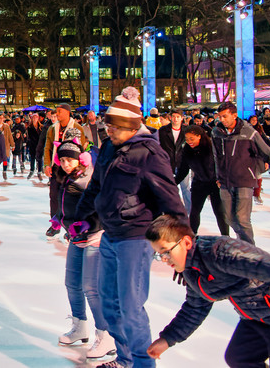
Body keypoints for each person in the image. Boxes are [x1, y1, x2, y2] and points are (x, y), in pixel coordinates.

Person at [73, 87, 188, 368]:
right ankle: (125, 360)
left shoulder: (150, 154)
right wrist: (82, 218)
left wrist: (185, 249)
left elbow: (173, 203)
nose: (107, 131)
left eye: (113, 127)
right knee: (110, 306)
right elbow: (97, 186)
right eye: (107, 125)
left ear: (130, 127)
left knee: (131, 309)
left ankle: (142, 364)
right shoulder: (111, 147)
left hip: (136, 238)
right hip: (110, 235)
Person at [145, 214, 270, 368]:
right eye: (159, 255)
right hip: (254, 318)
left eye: (166, 251)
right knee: (239, 358)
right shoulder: (192, 272)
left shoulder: (221, 252)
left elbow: (266, 266)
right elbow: (195, 307)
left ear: (185, 242)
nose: (164, 259)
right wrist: (167, 339)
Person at [50, 136, 116, 360]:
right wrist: (60, 218)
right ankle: (80, 326)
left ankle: (105, 335)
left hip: (94, 237)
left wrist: (89, 223)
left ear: (80, 158)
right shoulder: (69, 177)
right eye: (63, 160)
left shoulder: (88, 178)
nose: (67, 164)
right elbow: (68, 205)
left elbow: (101, 208)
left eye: (70, 160)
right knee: (72, 284)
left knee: (91, 287)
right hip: (75, 236)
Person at [211, 101, 270, 244]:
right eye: (219, 116)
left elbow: (269, 155)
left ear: (234, 115)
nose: (221, 120)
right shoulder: (216, 133)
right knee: (229, 218)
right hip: (225, 181)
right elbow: (216, 157)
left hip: (244, 179)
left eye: (224, 116)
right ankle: (243, 243)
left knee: (242, 218)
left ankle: (249, 250)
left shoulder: (249, 132)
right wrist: (217, 176)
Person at [175, 125, 229, 236]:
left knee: (219, 212)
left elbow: (223, 165)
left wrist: (222, 180)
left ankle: (225, 236)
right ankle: (192, 235)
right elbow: (183, 170)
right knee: (194, 211)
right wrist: (172, 182)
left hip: (215, 184)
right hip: (199, 184)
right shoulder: (187, 150)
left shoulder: (211, 147)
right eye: (187, 139)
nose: (189, 142)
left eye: (192, 139)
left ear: (199, 136)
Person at [43, 104, 88, 237]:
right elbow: (48, 147)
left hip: (72, 168)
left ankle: (71, 226)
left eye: (59, 112)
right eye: (56, 112)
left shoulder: (77, 128)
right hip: (57, 166)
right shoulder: (52, 128)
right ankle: (55, 224)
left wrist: (81, 167)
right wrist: (47, 164)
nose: (57, 114)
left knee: (72, 196)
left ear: (68, 112)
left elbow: (82, 148)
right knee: (54, 196)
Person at [156, 108, 190, 213]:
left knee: (186, 189)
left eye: (178, 117)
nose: (175, 119)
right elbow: (158, 146)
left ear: (182, 118)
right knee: (168, 189)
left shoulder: (187, 130)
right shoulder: (162, 131)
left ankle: (189, 213)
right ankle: (170, 212)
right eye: (173, 116)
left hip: (182, 163)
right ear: (170, 117)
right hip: (167, 163)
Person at [26, 112, 44, 179]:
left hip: (39, 145)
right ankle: (32, 170)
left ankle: (39, 172)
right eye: (33, 117)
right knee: (32, 158)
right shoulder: (29, 127)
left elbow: (42, 137)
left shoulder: (41, 127)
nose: (34, 119)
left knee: (39, 158)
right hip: (33, 145)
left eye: (36, 117)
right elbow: (30, 137)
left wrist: (41, 144)